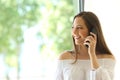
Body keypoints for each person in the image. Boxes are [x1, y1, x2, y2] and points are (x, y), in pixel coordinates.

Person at [55, 11, 116, 80]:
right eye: (73, 27)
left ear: (93, 31)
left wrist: (92, 55)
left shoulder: (108, 59)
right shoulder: (64, 58)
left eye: (79, 28)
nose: (74, 32)